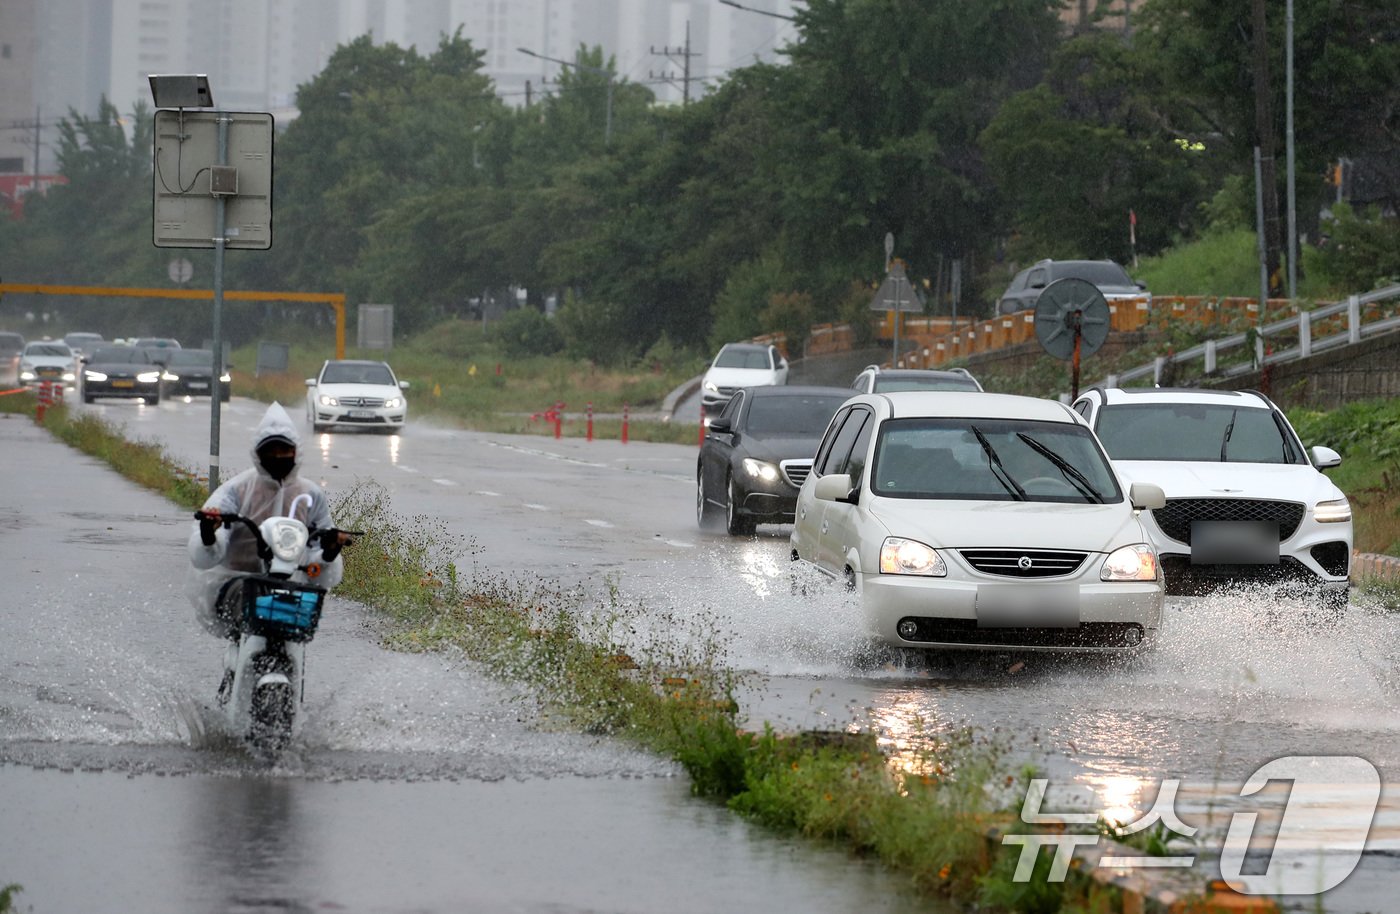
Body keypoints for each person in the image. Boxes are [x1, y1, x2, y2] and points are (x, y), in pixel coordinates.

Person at [186, 403, 346, 677]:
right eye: (270, 451)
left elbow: (320, 566)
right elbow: (205, 555)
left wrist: (329, 554)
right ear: (257, 454)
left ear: (296, 452)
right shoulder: (236, 491)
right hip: (236, 585)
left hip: (291, 586)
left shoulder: (311, 496)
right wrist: (209, 533)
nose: (278, 456)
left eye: (284, 450)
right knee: (248, 608)